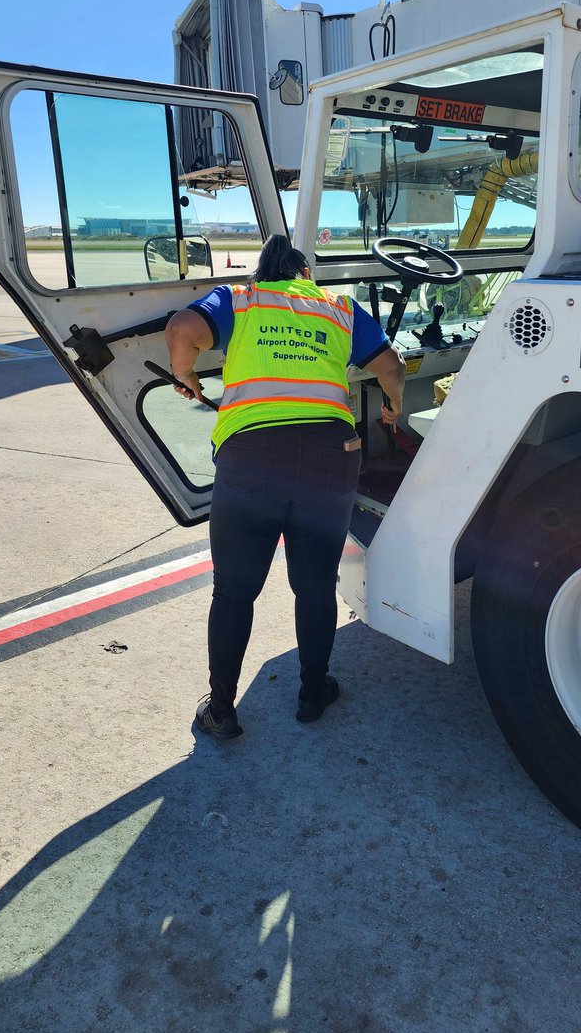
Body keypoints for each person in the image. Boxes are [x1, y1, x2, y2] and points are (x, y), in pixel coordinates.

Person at [165, 233, 405, 740]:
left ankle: (223, 710)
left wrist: (185, 374)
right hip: (332, 457)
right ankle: (312, 693)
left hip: (252, 458)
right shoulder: (339, 307)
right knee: (315, 585)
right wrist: (392, 405)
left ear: (264, 272)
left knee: (234, 589)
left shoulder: (241, 300)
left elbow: (183, 327)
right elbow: (392, 367)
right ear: (306, 276)